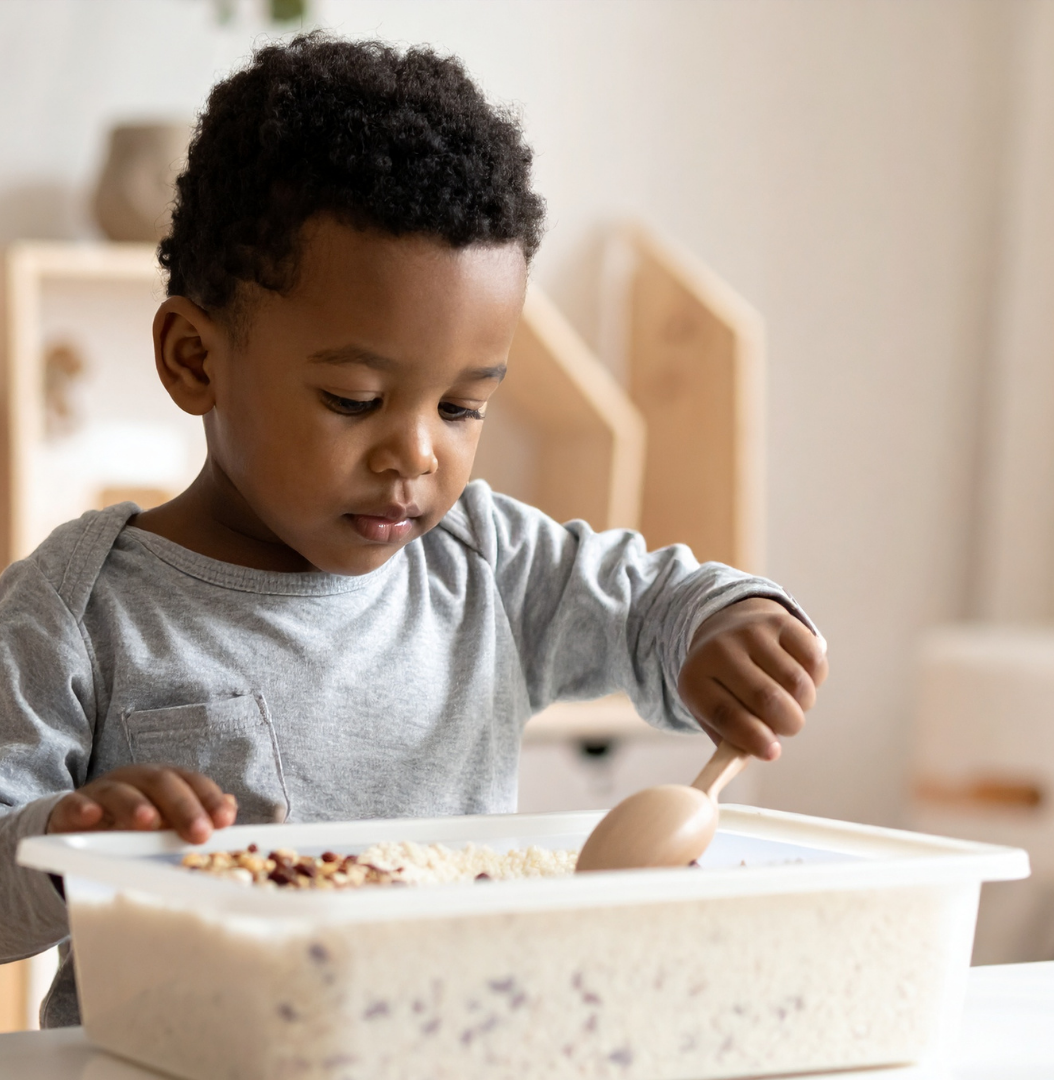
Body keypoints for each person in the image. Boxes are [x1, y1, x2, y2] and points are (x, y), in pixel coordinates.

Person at [0, 34, 827, 1028]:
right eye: (355, 400)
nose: (417, 454)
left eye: (463, 408)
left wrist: (723, 625)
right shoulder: (76, 611)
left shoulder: (485, 562)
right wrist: (70, 842)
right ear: (194, 359)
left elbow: (655, 604)